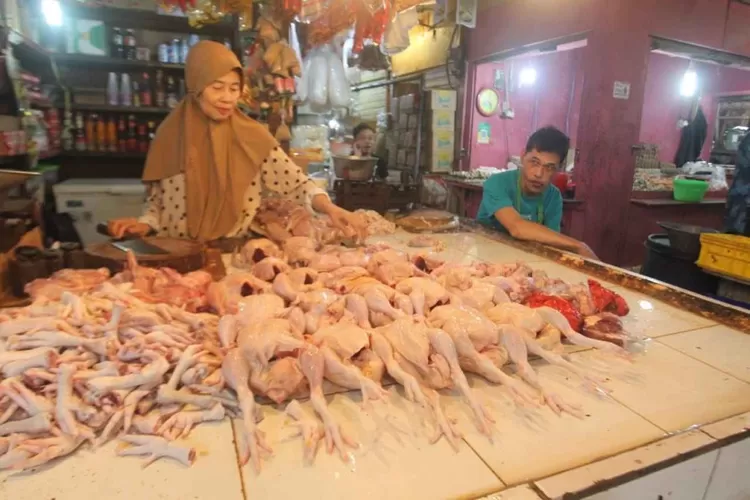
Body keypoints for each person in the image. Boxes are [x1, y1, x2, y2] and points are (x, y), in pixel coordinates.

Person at [108, 41, 365, 242]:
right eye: (217, 87)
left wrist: (330, 209)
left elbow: (297, 185)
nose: (227, 98)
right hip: (176, 257)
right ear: (196, 86)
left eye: (234, 88)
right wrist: (144, 223)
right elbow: (157, 205)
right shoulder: (168, 136)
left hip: (234, 257)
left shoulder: (252, 136)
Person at [476, 126, 598, 259]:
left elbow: (551, 244)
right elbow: (517, 228)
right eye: (534, 162)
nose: (539, 174)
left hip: (526, 262)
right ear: (523, 157)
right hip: (486, 259)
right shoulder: (497, 183)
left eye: (549, 167)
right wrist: (579, 246)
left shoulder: (553, 197)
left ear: (559, 169)